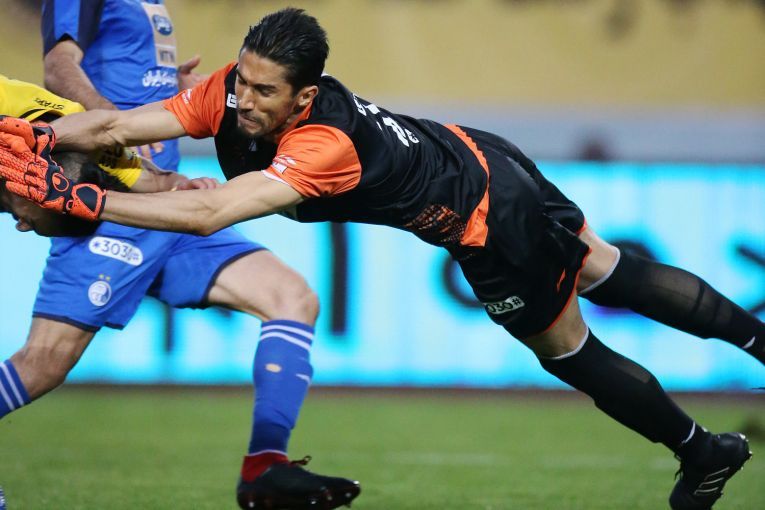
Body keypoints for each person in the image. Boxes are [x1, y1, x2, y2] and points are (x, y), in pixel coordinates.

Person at [1, 7, 761, 509]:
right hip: (476, 151)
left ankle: (701, 453)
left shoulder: (322, 145)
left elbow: (207, 213)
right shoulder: (231, 92)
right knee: (606, 267)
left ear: (304, 98)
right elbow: (117, 127)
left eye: (265, 93)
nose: (243, 103)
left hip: (488, 217)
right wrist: (41, 135)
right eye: (242, 82)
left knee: (568, 349)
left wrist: (87, 202)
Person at [0, 76, 358, 510]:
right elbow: (63, 67)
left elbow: (130, 161)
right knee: (44, 364)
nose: (21, 225)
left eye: (28, 219)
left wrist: (178, 184)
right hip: (110, 211)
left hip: (136, 211)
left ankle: (264, 468)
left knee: (291, 298)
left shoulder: (71, 132)